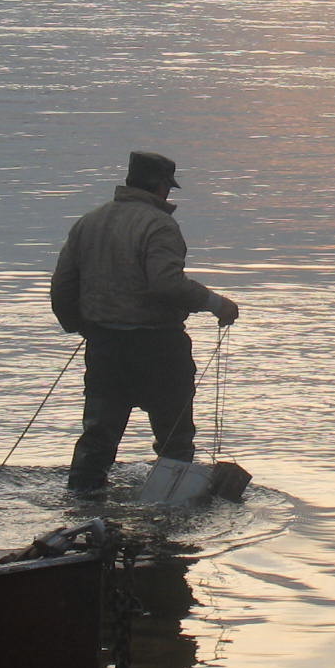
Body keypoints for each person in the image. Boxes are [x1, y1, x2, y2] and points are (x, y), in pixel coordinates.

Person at [51, 150, 240, 494]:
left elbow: (62, 287)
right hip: (159, 348)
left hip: (105, 348)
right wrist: (218, 304)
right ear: (161, 186)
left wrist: (84, 327)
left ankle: (81, 501)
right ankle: (171, 507)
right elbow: (166, 284)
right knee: (174, 439)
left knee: (98, 436)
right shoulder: (159, 225)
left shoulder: (89, 222)